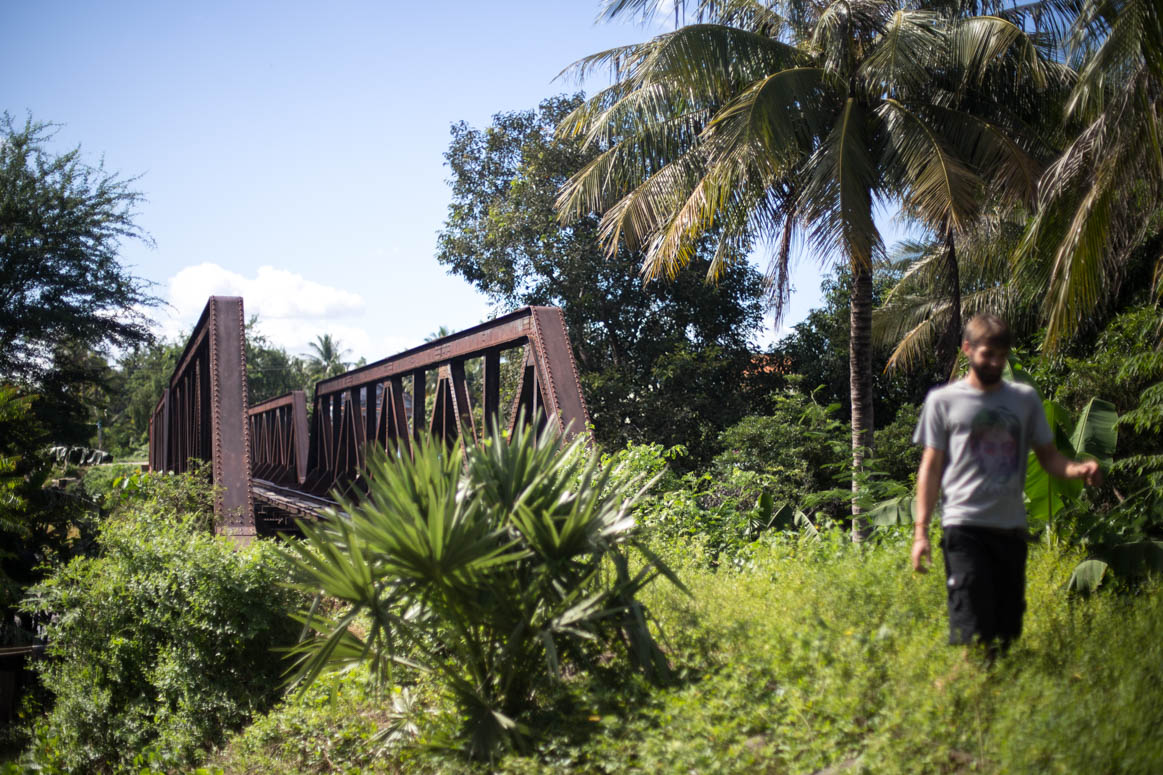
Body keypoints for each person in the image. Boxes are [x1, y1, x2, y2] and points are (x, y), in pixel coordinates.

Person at [911, 314, 1102, 653]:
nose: (996, 362)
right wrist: (921, 532)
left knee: (1005, 633)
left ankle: (985, 689)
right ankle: (967, 694)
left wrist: (1077, 470)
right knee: (973, 629)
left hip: (1011, 528)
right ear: (968, 349)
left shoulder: (1024, 400)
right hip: (964, 526)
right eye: (988, 354)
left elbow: (1048, 458)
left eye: (1002, 354)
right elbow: (930, 467)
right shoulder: (943, 401)